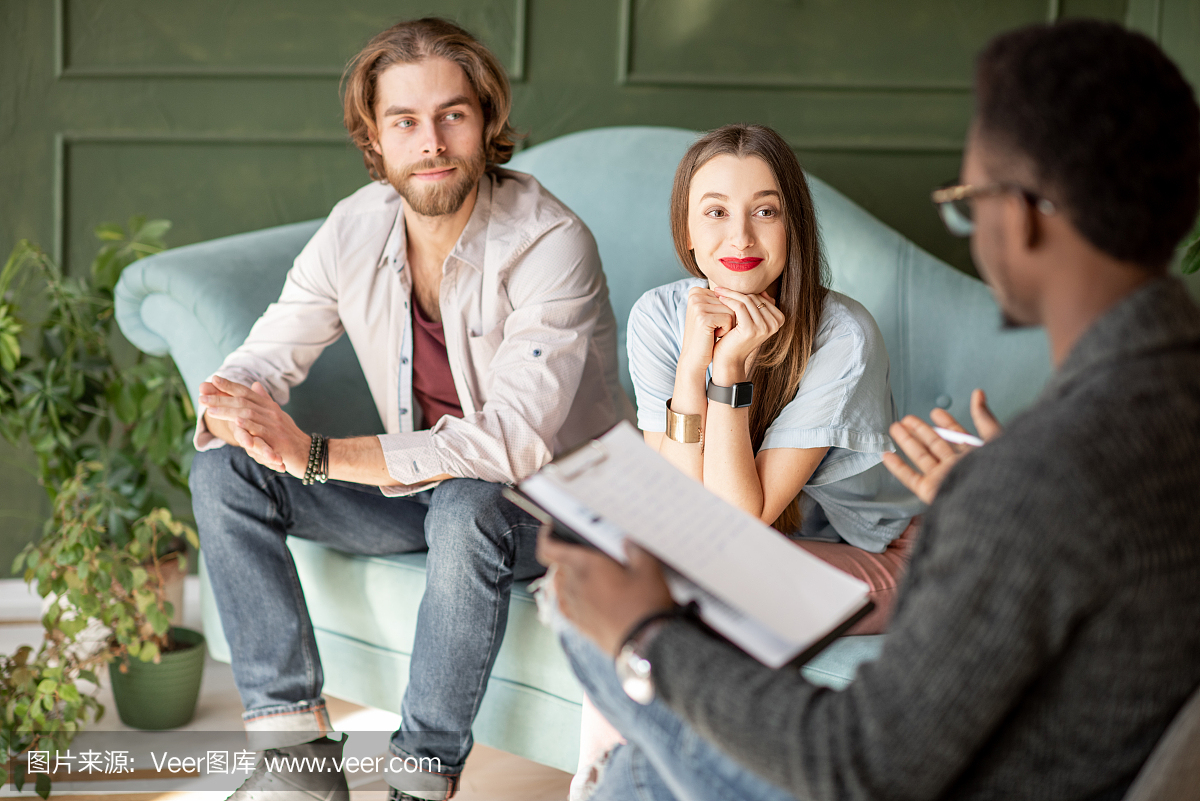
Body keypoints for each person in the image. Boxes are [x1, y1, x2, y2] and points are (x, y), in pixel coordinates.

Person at [540, 19, 1200, 801]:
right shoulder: (1157, 410)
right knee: (636, 772)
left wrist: (647, 637)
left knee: (586, 615)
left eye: (967, 205)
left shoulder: (1037, 473)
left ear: (1015, 218)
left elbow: (857, 768)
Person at [188, 17, 624, 801]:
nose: (432, 141)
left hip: (556, 507)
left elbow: (511, 441)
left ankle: (418, 780)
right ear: (375, 139)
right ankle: (296, 767)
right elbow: (264, 356)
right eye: (406, 122)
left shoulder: (550, 241)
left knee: (466, 502)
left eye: (453, 114)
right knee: (223, 469)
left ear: (486, 122)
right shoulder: (353, 228)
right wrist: (232, 404)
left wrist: (318, 455)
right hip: (423, 491)